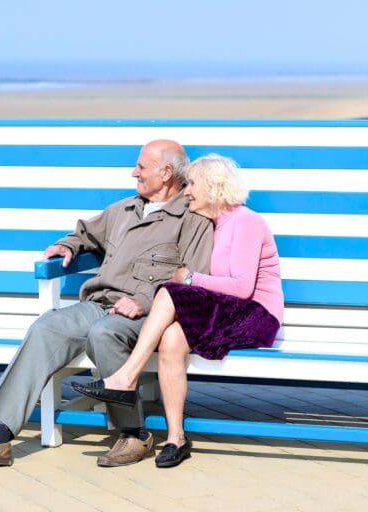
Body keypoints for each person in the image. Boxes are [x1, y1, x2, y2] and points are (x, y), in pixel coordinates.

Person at [0, 140, 213, 467]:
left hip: (150, 313)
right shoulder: (123, 210)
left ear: (166, 172)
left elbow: (194, 278)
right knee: (47, 327)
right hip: (100, 303)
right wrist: (67, 245)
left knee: (104, 333)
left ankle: (135, 434)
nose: (133, 172)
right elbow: (85, 232)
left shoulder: (193, 218)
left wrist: (143, 300)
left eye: (141, 167)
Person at [72, 154, 283, 468]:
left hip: (256, 316)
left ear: (212, 187)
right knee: (171, 337)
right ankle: (176, 438)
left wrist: (189, 278)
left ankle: (126, 377)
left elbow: (241, 287)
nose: (186, 192)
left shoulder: (246, 221)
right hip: (227, 312)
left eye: (193, 184)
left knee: (171, 290)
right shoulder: (212, 225)